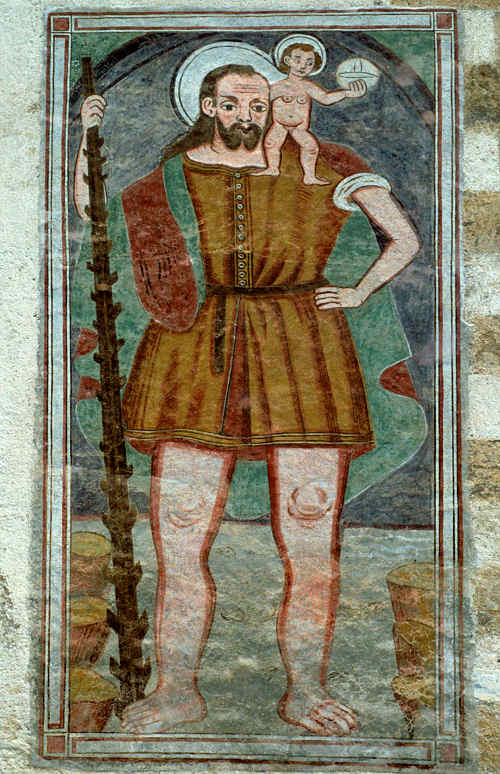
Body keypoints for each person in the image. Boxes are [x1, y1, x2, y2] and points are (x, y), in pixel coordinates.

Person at [74, 62, 421, 736]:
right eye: (233, 104)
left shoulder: (326, 166)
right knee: (179, 539)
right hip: (193, 356)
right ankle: (177, 692)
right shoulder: (169, 179)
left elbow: (404, 238)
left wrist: (358, 292)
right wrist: (84, 140)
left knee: (311, 539)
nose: (247, 115)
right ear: (207, 106)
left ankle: (306, 691)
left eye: (258, 104)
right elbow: (97, 215)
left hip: (304, 352)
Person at [254, 43, 367, 185]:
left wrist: (346, 93)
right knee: (271, 143)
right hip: (279, 125)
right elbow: (261, 101)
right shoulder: (278, 86)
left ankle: (309, 176)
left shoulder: (308, 87)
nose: (303, 66)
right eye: (298, 60)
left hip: (299, 127)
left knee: (311, 148)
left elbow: (325, 98)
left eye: (309, 63)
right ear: (287, 61)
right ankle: (272, 168)